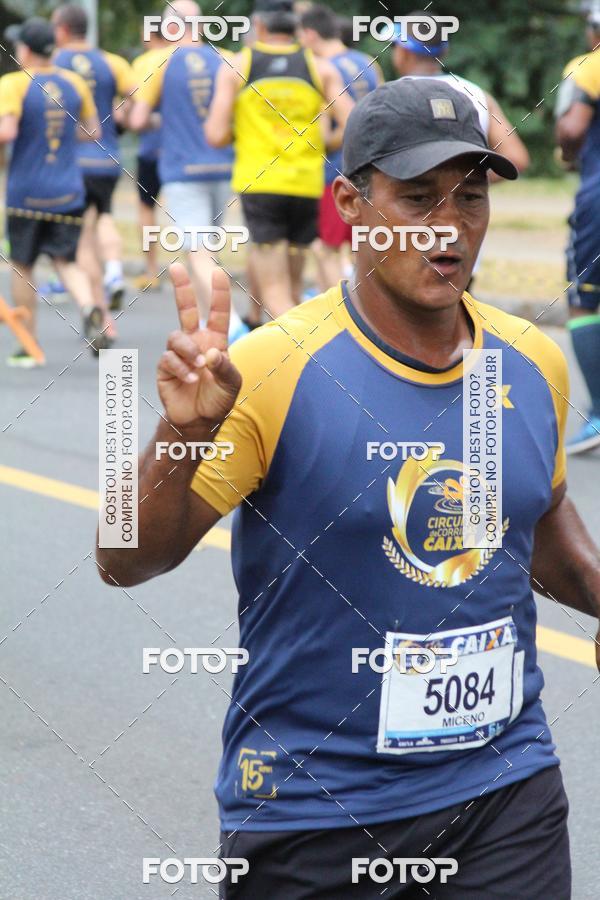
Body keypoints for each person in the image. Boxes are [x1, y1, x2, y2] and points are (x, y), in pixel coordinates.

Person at [97, 79, 600, 898]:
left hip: (506, 792)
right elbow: (123, 560)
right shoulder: (272, 365)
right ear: (350, 204)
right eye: (417, 197)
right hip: (315, 811)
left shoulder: (529, 363)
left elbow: (537, 524)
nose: (451, 225)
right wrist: (182, 435)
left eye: (470, 197)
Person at [205, 0, 354, 318]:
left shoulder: (237, 66)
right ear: (296, 27)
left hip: (260, 186)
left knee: (276, 295)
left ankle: (313, 359)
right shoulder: (320, 68)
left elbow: (215, 134)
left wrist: (244, 130)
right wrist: (325, 142)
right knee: (294, 291)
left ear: (258, 26)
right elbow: (354, 121)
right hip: (305, 184)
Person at [130, 1, 247, 341]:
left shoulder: (158, 62)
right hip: (222, 166)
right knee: (206, 249)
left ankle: (234, 327)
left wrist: (164, 118)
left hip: (182, 170)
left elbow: (137, 119)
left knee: (197, 251)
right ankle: (206, 327)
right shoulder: (228, 57)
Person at [0, 17, 104, 366]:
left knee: (22, 265)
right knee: (66, 261)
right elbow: (93, 132)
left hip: (26, 194)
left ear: (25, 50)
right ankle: (90, 308)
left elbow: (7, 132)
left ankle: (28, 345)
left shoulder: (14, 84)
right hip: (67, 191)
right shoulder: (74, 82)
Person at [53, 3, 136, 317]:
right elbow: (135, 94)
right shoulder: (110, 61)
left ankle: (97, 308)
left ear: (61, 29)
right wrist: (120, 120)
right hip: (108, 157)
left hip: (73, 162)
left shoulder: (54, 64)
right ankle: (114, 270)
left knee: (83, 236)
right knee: (104, 215)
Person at [298, 5, 383, 290]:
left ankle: (341, 314)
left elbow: (330, 130)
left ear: (310, 35)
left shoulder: (321, 70)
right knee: (361, 246)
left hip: (335, 170)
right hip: (372, 166)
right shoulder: (369, 62)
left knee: (326, 248)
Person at [391, 10, 529, 175]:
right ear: (445, 51)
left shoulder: (388, 97)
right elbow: (517, 158)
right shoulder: (478, 96)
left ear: (403, 52)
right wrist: (467, 183)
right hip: (466, 200)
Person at [555, 9, 600, 454]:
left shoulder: (589, 67)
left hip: (598, 200)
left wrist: (568, 153)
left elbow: (572, 127)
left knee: (584, 296)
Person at [131, 26, 170, 292]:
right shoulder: (188, 57)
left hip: (150, 150)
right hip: (186, 153)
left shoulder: (144, 62)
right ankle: (199, 269)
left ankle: (151, 271)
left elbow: (135, 108)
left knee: (146, 209)